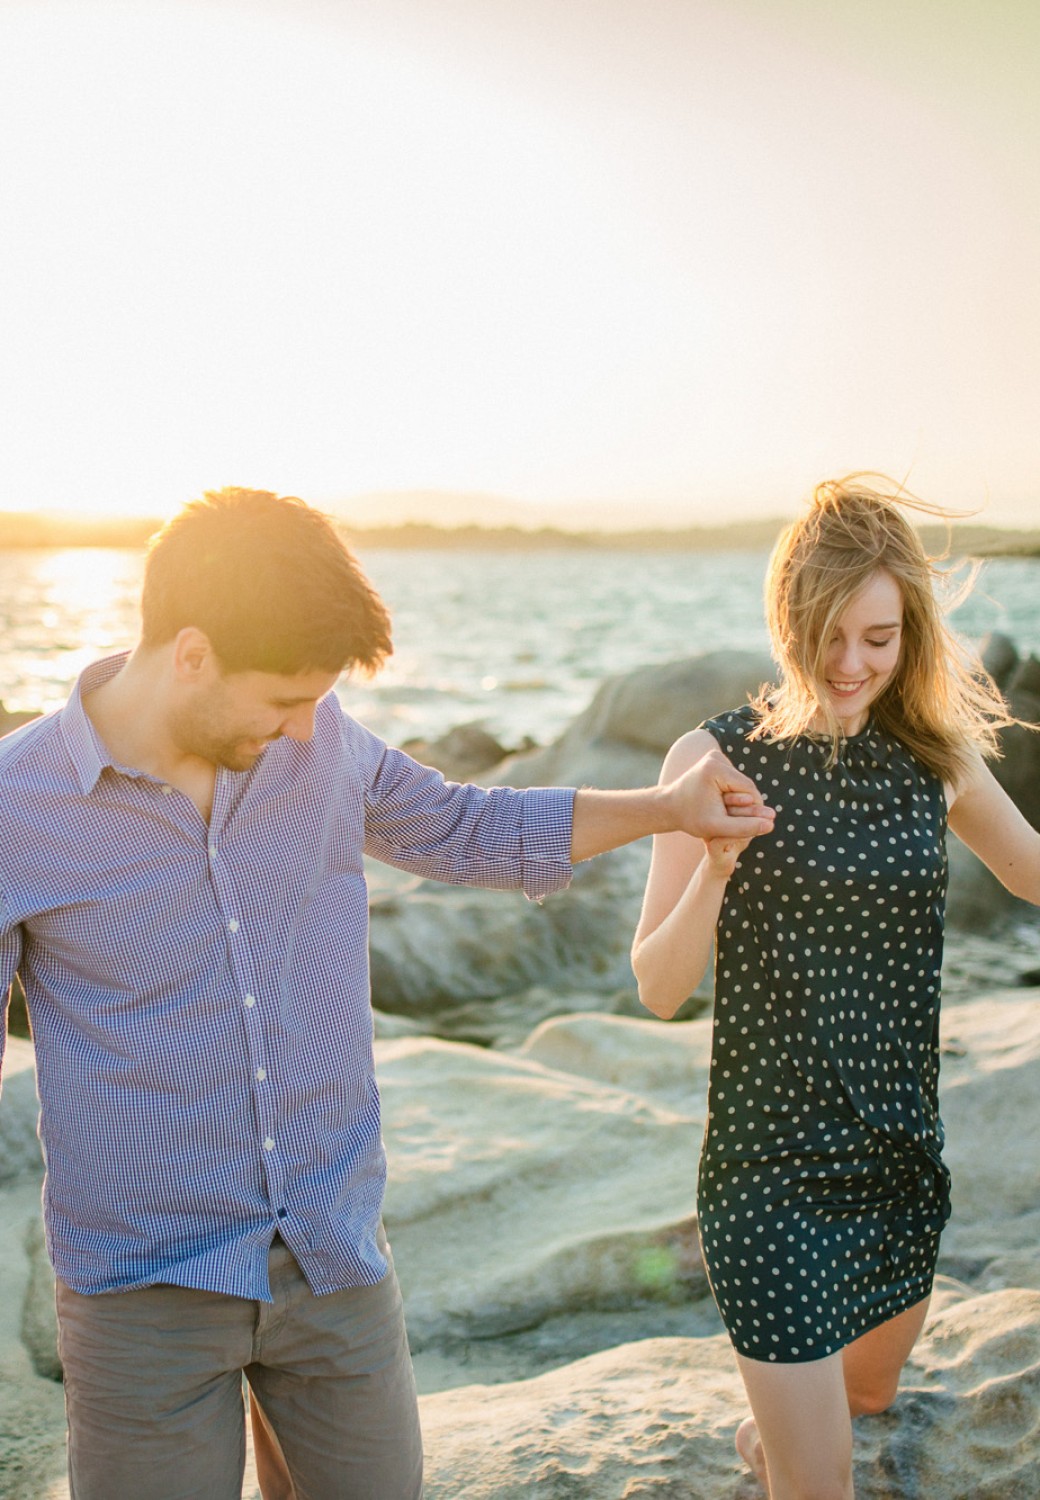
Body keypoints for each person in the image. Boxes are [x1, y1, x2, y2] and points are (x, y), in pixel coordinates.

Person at [0, 486, 775, 1500]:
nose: (301, 726)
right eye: (281, 699)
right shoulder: (20, 808)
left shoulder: (321, 744)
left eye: (316, 700)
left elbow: (465, 828)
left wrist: (666, 806)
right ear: (189, 654)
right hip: (143, 1289)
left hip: (331, 1251)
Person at [631, 476, 1040, 1500]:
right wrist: (715, 873)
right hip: (765, 1175)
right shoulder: (712, 758)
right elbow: (656, 989)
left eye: (878, 638)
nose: (850, 664)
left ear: (907, 636)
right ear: (786, 621)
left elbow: (1031, 871)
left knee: (864, 1399)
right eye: (827, 635)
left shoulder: (933, 761)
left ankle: (773, 1437)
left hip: (897, 1161)